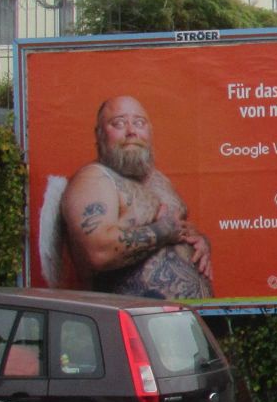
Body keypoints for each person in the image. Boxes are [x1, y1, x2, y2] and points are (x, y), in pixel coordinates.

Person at [60, 95, 214, 301]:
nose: (131, 131)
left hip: (192, 316)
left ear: (150, 132)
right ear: (99, 134)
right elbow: (97, 252)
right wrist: (163, 231)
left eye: (139, 123)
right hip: (131, 319)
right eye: (119, 123)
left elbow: (179, 228)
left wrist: (201, 241)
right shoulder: (93, 179)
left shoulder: (159, 180)